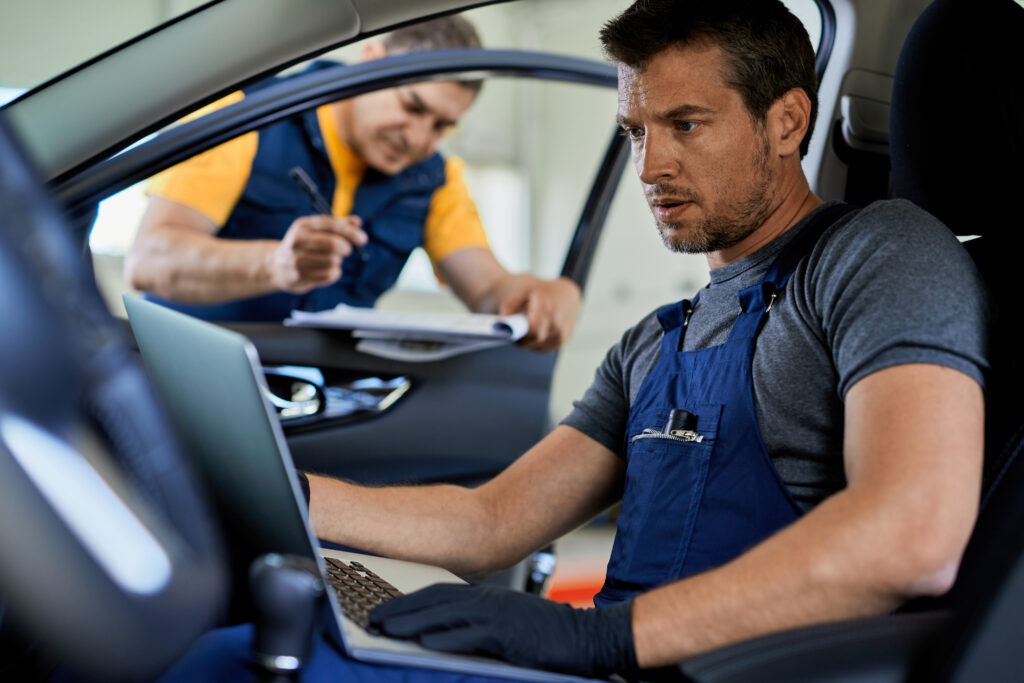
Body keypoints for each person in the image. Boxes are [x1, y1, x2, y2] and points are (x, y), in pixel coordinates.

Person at [158, 0, 988, 680]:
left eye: (686, 125)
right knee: (236, 646)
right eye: (635, 130)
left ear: (786, 120)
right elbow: (490, 521)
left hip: (725, 668)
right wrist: (284, 488)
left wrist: (598, 637)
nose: (649, 167)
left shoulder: (881, 254)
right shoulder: (658, 341)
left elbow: (910, 535)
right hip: (610, 666)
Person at [125, 15, 581, 352]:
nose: (421, 139)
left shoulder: (437, 180)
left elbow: (487, 289)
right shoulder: (246, 117)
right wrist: (274, 264)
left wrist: (539, 296)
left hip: (322, 399)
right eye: (413, 106)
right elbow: (149, 261)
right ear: (371, 62)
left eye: (443, 125)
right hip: (186, 380)